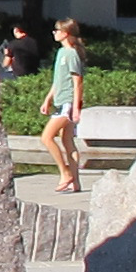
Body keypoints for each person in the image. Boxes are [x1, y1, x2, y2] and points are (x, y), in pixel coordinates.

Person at [38, 16, 88, 193]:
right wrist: (48, 99)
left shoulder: (72, 54)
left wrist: (76, 108)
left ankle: (65, 172)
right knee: (67, 141)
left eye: (57, 30)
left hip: (67, 103)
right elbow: (58, 81)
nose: (54, 33)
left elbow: (77, 82)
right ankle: (76, 182)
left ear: (65, 33)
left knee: (46, 137)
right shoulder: (61, 53)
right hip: (60, 101)